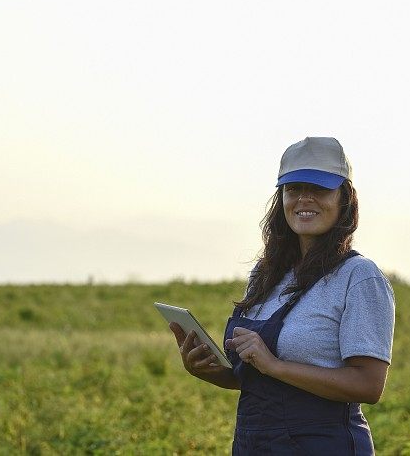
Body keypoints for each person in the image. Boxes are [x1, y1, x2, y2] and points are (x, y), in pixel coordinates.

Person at [169, 136, 396, 455]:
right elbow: (254, 380)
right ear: (281, 199)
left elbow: (369, 386)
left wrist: (274, 365)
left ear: (344, 199)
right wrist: (208, 370)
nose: (305, 199)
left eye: (319, 189)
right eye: (294, 189)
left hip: (323, 445)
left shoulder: (358, 277)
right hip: (255, 445)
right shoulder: (265, 275)